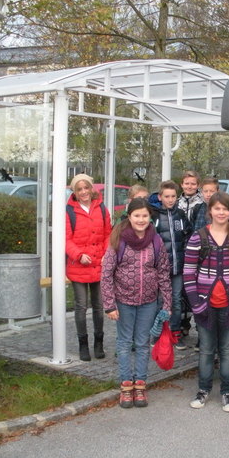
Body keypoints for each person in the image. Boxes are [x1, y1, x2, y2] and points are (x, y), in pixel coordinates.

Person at [184, 192, 229, 413]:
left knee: (227, 350)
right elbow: (188, 273)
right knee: (206, 350)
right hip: (205, 304)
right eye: (217, 208)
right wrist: (196, 303)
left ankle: (227, 392)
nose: (221, 212)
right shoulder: (198, 237)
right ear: (210, 211)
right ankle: (203, 389)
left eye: (225, 208)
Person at [101, 198, 172, 408]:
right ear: (129, 217)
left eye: (144, 215)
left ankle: (140, 384)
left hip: (148, 302)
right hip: (123, 302)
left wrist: (167, 303)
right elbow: (106, 274)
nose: (141, 220)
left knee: (142, 343)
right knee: (124, 343)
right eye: (136, 215)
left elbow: (163, 274)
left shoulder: (156, 241)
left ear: (150, 217)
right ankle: (126, 385)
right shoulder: (118, 239)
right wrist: (109, 305)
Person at [66, 173, 112, 362]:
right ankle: (83, 344)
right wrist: (78, 255)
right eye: (79, 189)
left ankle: (98, 343)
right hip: (79, 265)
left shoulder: (102, 208)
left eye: (86, 188)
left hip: (98, 264)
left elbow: (108, 234)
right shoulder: (68, 211)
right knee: (81, 306)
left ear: (91, 189)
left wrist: (106, 254)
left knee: (99, 307)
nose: (84, 192)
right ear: (74, 192)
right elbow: (65, 239)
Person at [148, 180, 192, 350]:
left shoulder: (180, 215)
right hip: (160, 268)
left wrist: (186, 254)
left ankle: (175, 333)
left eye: (173, 196)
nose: (170, 199)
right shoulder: (155, 216)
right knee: (160, 301)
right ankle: (157, 333)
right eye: (167, 196)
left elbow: (188, 234)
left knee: (176, 300)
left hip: (178, 266)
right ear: (160, 197)